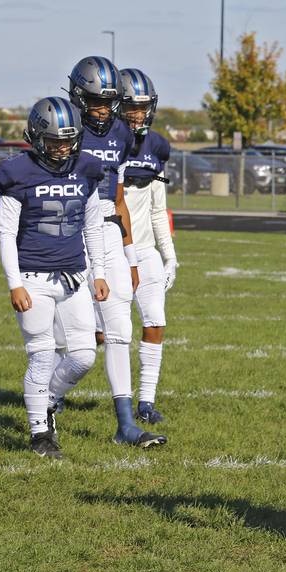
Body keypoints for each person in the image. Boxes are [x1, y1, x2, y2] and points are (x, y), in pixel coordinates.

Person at [0, 97, 109, 458]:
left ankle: (47, 400)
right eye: (54, 141)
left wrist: (99, 273)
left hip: (74, 277)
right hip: (32, 277)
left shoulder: (86, 169)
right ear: (35, 137)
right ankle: (40, 434)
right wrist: (14, 282)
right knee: (42, 356)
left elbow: (93, 225)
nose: (61, 148)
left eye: (67, 140)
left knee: (84, 357)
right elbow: (5, 233)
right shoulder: (18, 173)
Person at [63, 55, 166, 447]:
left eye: (109, 101)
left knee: (120, 329)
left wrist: (131, 254)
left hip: (108, 227)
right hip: (75, 229)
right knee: (79, 343)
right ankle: (47, 400)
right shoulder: (68, 130)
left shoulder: (121, 133)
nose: (103, 110)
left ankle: (125, 425)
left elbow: (119, 195)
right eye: (96, 101)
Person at [120, 68, 178, 424]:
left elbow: (158, 210)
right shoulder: (102, 147)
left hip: (145, 250)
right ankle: (54, 393)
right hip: (111, 252)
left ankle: (145, 401)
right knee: (99, 334)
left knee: (155, 322)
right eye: (131, 107)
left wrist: (170, 257)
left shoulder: (155, 146)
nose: (138, 114)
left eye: (143, 108)